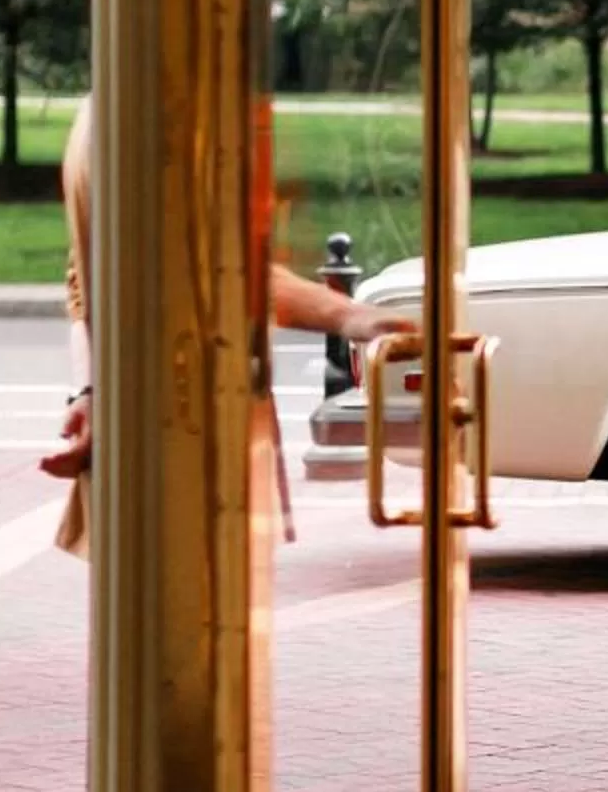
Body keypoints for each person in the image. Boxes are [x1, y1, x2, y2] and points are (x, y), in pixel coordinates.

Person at [39, 94, 415, 553]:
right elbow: (219, 269)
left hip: (139, 422)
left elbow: (84, 283)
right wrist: (351, 317)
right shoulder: (156, 118)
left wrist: (89, 393)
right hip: (184, 422)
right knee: (190, 606)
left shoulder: (105, 108)